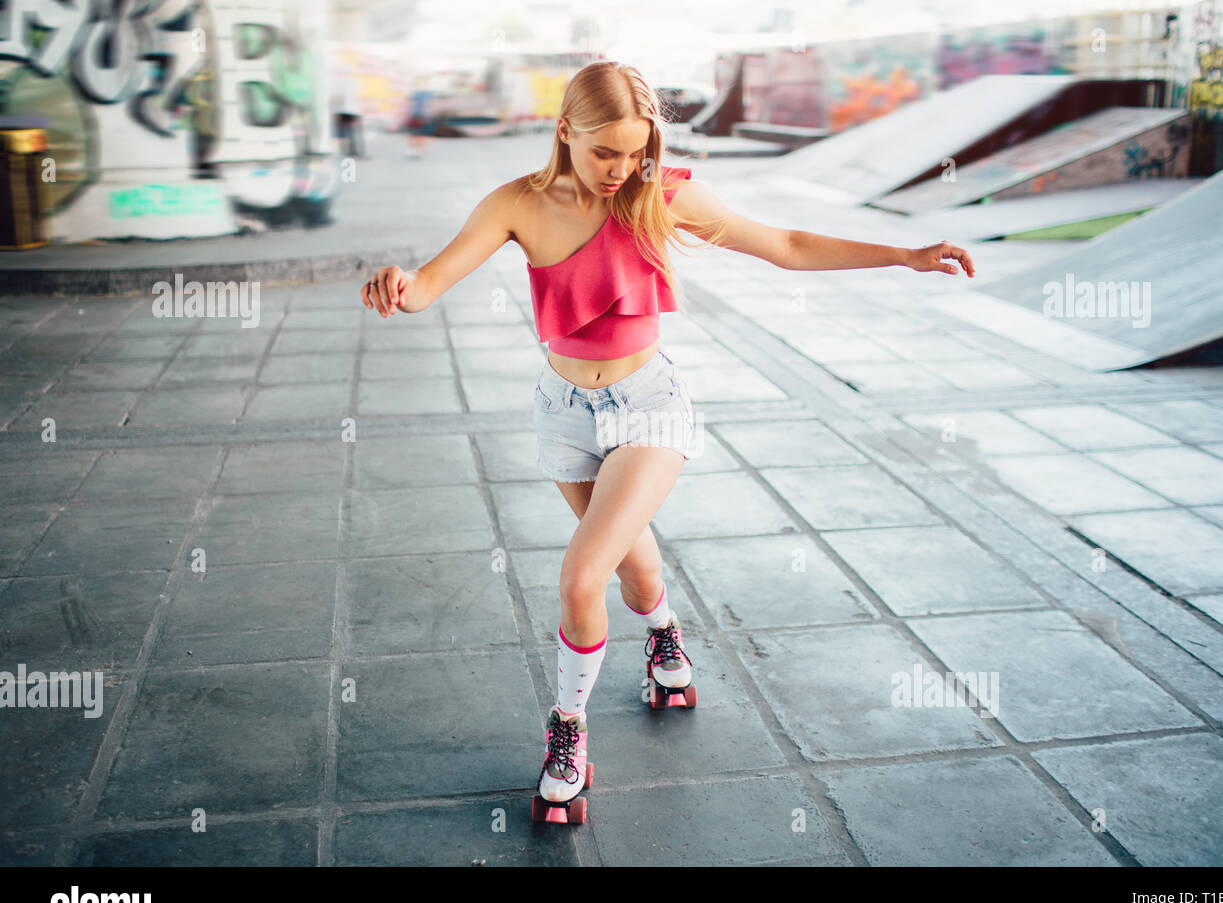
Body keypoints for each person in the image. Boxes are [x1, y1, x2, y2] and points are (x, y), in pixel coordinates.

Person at [359, 60, 974, 819]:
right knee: (633, 577)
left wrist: (903, 255)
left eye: (635, 151)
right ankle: (665, 634)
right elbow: (426, 285)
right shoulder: (519, 204)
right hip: (564, 411)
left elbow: (785, 242)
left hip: (648, 405)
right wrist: (397, 283)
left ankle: (568, 735)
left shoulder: (663, 194)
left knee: (583, 574)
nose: (621, 169)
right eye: (604, 152)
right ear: (566, 133)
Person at [405, 77, 435, 159]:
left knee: (422, 134)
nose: (422, 85)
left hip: (423, 116)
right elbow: (410, 105)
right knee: (415, 134)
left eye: (424, 83)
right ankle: (415, 149)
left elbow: (430, 105)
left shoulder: (427, 93)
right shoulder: (415, 93)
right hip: (415, 116)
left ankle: (419, 150)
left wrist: (429, 115)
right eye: (420, 83)